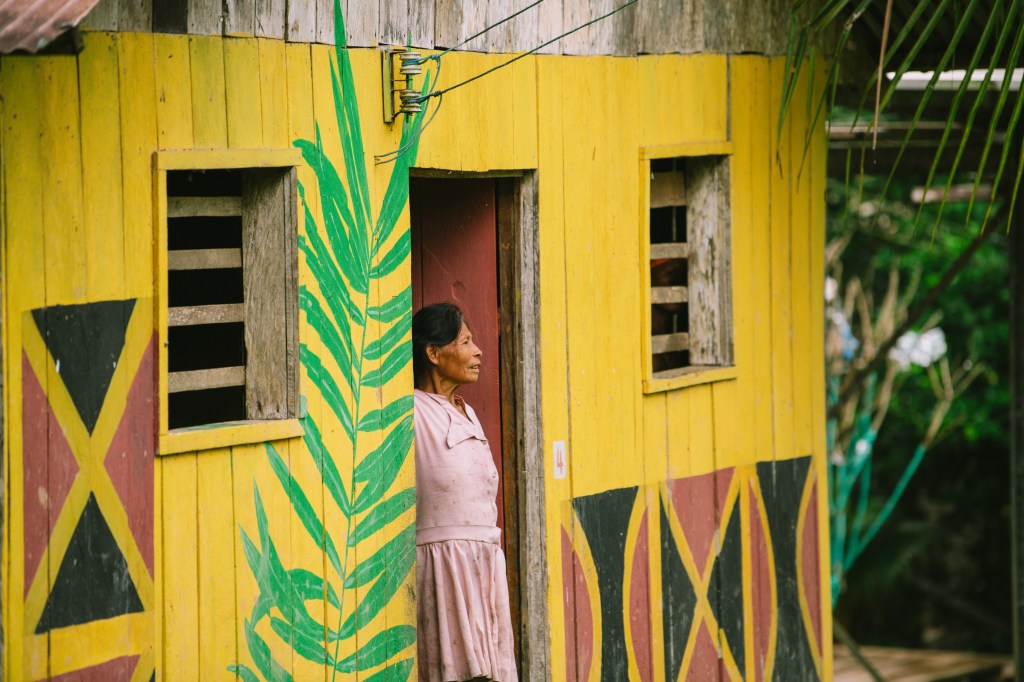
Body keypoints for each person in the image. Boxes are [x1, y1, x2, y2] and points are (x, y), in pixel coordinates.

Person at [412, 302, 517, 682]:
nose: (478, 352)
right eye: (466, 342)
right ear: (434, 354)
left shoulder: (466, 411)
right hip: (443, 564)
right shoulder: (412, 410)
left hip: (482, 561)